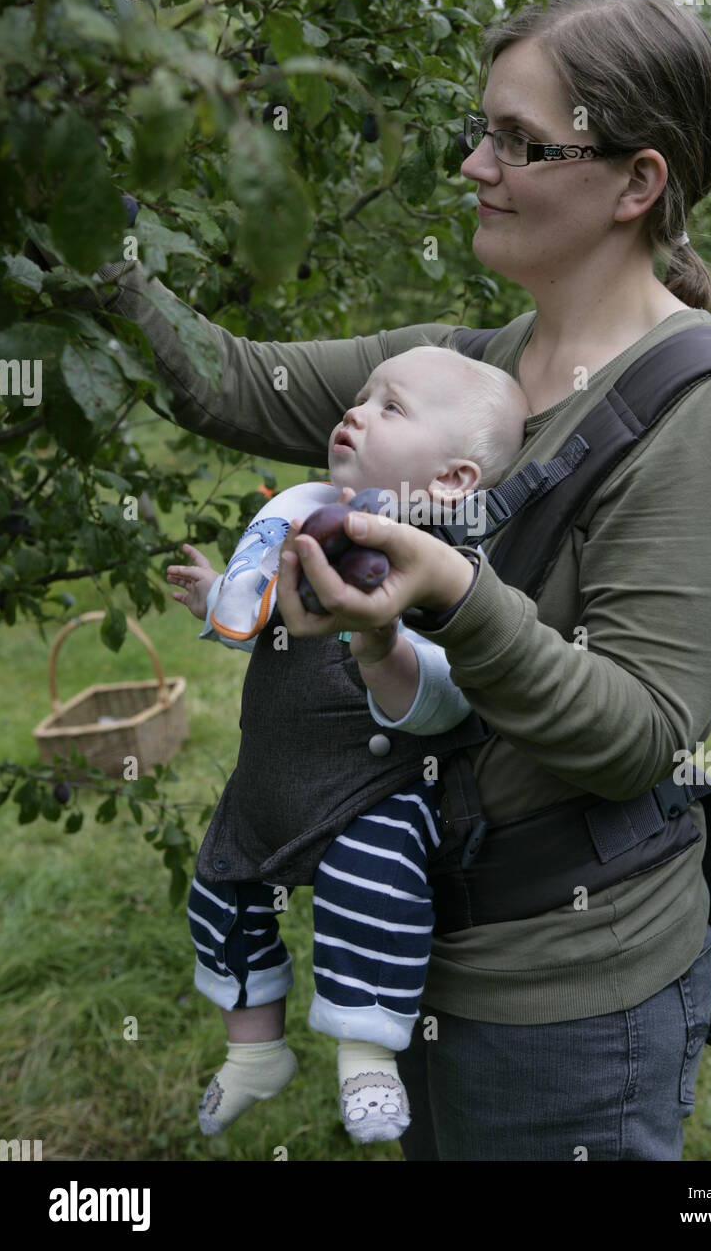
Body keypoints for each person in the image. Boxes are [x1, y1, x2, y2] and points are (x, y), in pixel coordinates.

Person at [80, 0, 711, 1160]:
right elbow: (225, 378)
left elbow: (638, 734)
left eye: (517, 141)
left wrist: (454, 598)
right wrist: (91, 239)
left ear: (635, 182)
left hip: (565, 997)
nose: (472, 163)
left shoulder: (700, 414)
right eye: (482, 130)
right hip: (425, 944)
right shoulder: (464, 366)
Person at [166, 346, 529, 1143]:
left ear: (452, 481)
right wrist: (217, 601)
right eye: (360, 398)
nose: (355, 412)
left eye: (390, 408)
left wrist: (378, 645)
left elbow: (440, 701)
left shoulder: (445, 567)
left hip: (374, 792)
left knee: (372, 898)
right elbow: (266, 615)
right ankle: (254, 1049)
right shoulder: (303, 516)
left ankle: (365, 1054)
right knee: (219, 894)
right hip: (268, 776)